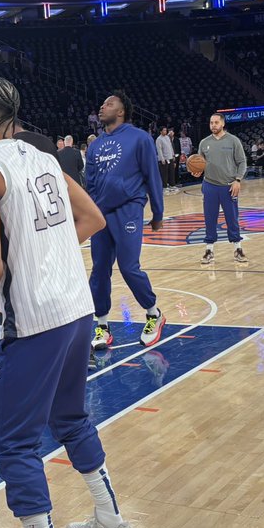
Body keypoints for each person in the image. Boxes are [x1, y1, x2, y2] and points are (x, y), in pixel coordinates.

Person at [0, 76, 134, 528]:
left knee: (14, 444)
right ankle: (111, 524)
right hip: (78, 310)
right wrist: (46, 249)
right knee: (71, 418)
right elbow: (93, 219)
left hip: (33, 320)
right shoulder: (46, 159)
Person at [85, 91, 166, 353]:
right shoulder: (95, 145)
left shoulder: (140, 138)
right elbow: (90, 182)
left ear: (121, 111)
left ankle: (154, 314)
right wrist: (90, 212)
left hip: (129, 208)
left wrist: (158, 213)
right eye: (102, 103)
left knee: (129, 267)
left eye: (108, 104)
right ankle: (103, 325)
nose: (102, 106)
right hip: (100, 214)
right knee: (99, 270)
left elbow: (152, 176)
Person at [194, 112, 248, 265]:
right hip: (209, 185)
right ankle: (209, 250)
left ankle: (238, 249)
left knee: (232, 219)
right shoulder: (204, 143)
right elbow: (200, 163)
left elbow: (242, 162)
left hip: (229, 186)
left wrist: (238, 180)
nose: (213, 125)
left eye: (216, 122)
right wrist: (197, 170)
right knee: (210, 219)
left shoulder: (233, 141)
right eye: (211, 123)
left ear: (223, 124)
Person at [155, 127, 175, 193]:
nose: (165, 131)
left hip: (170, 157)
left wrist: (173, 155)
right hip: (164, 159)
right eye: (164, 130)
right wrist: (162, 159)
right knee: (164, 174)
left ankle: (172, 185)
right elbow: (159, 150)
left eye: (166, 130)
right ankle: (164, 187)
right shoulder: (159, 139)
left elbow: (170, 146)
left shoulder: (167, 137)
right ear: (160, 131)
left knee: (171, 172)